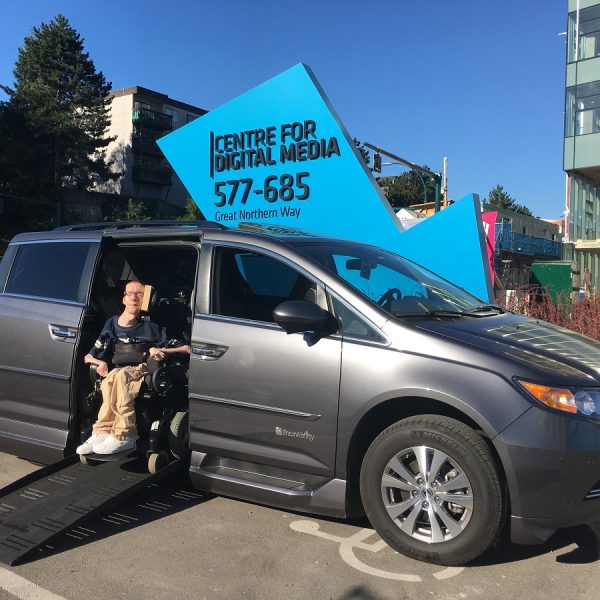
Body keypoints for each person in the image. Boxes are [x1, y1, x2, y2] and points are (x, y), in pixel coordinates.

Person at [77, 280, 191, 455]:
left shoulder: (151, 328)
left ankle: (125, 434)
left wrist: (158, 349)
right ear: (123, 299)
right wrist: (100, 363)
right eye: (130, 293)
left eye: (139, 294)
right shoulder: (112, 325)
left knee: (121, 376)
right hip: (118, 369)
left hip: (142, 368)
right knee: (111, 379)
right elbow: (88, 356)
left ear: (145, 300)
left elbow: (185, 348)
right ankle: (102, 431)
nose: (134, 297)